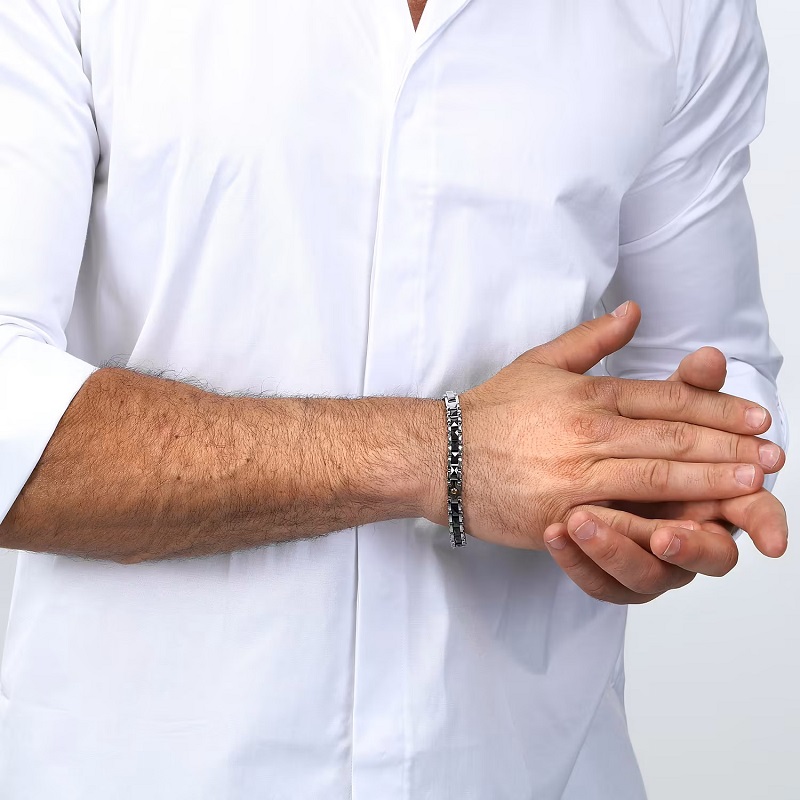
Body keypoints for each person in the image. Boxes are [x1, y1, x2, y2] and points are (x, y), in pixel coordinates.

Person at [0, 0, 787, 797]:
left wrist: (668, 487)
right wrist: (442, 454)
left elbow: (707, 356)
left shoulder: (682, 13)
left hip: (528, 770)